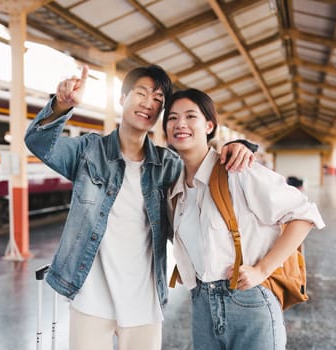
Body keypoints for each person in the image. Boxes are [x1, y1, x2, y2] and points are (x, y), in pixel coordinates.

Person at [24, 65, 255, 350]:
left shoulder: (168, 166)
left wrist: (240, 146)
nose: (149, 103)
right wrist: (61, 106)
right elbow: (38, 142)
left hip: (144, 303)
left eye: (158, 99)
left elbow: (205, 169)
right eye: (142, 93)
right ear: (122, 98)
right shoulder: (89, 152)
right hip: (89, 299)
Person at [163, 88, 325, 350]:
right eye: (172, 118)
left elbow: (304, 215)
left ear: (209, 125)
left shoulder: (237, 171)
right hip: (202, 306)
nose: (180, 124)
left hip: (248, 302)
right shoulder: (176, 189)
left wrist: (262, 269)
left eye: (190, 116)